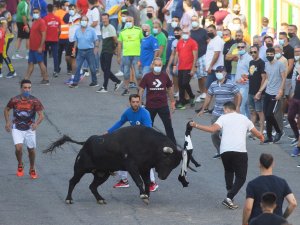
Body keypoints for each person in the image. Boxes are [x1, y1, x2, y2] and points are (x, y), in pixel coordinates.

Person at [190, 101, 263, 209]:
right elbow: (256, 133)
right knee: (241, 177)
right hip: (240, 151)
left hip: (224, 150)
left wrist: (195, 125)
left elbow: (212, 129)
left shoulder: (223, 118)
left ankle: (230, 192)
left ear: (226, 109)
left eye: (224, 110)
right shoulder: (244, 118)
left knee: (229, 171)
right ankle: (229, 197)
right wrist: (261, 137)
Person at [107, 94, 159, 192]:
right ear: (130, 102)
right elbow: (120, 122)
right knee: (121, 156)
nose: (135, 104)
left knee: (145, 162)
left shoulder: (145, 113)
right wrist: (109, 131)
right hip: (134, 140)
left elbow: (148, 130)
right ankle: (124, 180)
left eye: (137, 102)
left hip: (145, 141)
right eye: (133, 102)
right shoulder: (128, 112)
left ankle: (152, 183)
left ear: (140, 102)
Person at [197, 66, 241, 159]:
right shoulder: (213, 84)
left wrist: (237, 107)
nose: (218, 73)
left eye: (220, 71)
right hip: (216, 113)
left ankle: (230, 152)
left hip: (228, 114)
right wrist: (203, 109)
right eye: (217, 71)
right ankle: (220, 151)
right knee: (214, 134)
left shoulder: (230, 84)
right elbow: (209, 97)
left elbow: (238, 95)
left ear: (225, 73)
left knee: (228, 134)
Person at [4, 79, 45, 179]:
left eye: (29, 88)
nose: (27, 90)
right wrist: (8, 122)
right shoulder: (14, 99)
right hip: (17, 127)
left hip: (30, 128)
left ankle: (32, 168)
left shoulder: (35, 100)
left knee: (31, 150)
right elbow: (6, 109)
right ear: (21, 88)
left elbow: (41, 115)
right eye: (25, 88)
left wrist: (36, 124)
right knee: (18, 148)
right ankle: (20, 164)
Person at [242, 153, 297, 225]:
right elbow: (293, 203)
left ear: (259, 164)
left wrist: (244, 222)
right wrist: (283, 218)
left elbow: (248, 207)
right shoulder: (282, 182)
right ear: (273, 164)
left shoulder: (252, 184)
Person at [139, 57, 176, 144]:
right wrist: (139, 102)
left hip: (163, 106)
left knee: (168, 127)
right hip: (150, 106)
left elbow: (169, 89)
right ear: (152, 65)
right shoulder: (147, 76)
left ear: (162, 65)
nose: (157, 67)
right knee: (147, 127)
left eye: (159, 65)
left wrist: (172, 102)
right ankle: (144, 144)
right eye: (156, 65)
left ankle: (173, 144)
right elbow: (141, 89)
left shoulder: (165, 76)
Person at [256, 47, 286, 144]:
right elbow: (267, 79)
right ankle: (269, 137)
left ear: (274, 54)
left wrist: (280, 91)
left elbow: (283, 78)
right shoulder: (266, 65)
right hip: (268, 92)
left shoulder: (280, 64)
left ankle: (279, 131)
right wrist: (260, 91)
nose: (269, 56)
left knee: (269, 114)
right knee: (266, 114)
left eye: (271, 54)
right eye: (267, 54)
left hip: (275, 93)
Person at [69, 15, 99, 88]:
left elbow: (96, 40)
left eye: (85, 20)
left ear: (88, 22)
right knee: (77, 67)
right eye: (83, 20)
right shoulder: (77, 30)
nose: (84, 22)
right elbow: (76, 41)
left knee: (92, 68)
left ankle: (94, 82)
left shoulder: (91, 30)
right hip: (80, 51)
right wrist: (73, 50)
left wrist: (96, 48)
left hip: (89, 51)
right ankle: (75, 82)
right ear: (80, 21)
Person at [117, 16, 143, 95]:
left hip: (136, 54)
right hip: (126, 55)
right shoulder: (122, 32)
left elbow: (143, 42)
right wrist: (118, 56)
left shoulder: (139, 30)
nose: (128, 22)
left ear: (133, 21)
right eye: (127, 21)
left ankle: (139, 89)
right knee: (126, 73)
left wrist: (142, 55)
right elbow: (119, 44)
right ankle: (126, 88)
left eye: (130, 21)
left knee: (138, 74)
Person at [96, 13, 122, 93]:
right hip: (103, 50)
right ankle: (117, 81)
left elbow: (116, 41)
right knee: (104, 69)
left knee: (106, 69)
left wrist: (117, 52)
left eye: (105, 18)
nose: (104, 20)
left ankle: (105, 87)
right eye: (103, 18)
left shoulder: (111, 28)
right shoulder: (103, 27)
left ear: (108, 19)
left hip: (109, 51)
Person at [24, 8, 49, 85]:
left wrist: (40, 47)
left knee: (40, 63)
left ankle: (46, 79)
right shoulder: (34, 22)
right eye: (34, 12)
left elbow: (44, 35)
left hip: (38, 47)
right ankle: (26, 79)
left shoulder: (41, 22)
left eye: (36, 12)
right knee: (30, 63)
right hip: (32, 47)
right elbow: (32, 33)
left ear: (40, 13)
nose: (35, 13)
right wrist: (27, 29)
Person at [173, 28, 198, 109]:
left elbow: (195, 56)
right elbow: (177, 54)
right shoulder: (179, 42)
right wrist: (174, 65)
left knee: (184, 83)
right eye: (183, 32)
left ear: (189, 33)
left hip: (189, 67)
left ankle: (190, 96)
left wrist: (193, 68)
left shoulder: (193, 42)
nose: (185, 34)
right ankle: (182, 101)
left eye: (186, 32)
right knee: (180, 85)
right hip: (181, 67)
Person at [190, 15, 208, 102]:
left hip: (203, 55)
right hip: (193, 57)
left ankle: (205, 92)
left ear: (198, 21)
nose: (194, 21)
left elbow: (208, 43)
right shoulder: (189, 33)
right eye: (192, 20)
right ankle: (202, 93)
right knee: (199, 77)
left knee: (204, 75)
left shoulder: (203, 31)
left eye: (195, 20)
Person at [248, 45, 266, 135]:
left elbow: (263, 78)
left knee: (260, 111)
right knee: (252, 111)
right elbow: (252, 75)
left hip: (258, 92)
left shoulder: (261, 63)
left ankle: (261, 131)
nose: (253, 54)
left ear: (258, 51)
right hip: (250, 90)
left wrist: (259, 92)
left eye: (255, 52)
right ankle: (252, 131)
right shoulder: (251, 62)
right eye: (251, 52)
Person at [234, 41, 252, 117]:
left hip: (245, 85)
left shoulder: (249, 58)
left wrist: (243, 79)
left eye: (242, 47)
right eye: (239, 47)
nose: (240, 48)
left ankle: (243, 125)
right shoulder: (240, 57)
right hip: (238, 85)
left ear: (246, 48)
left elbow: (252, 72)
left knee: (241, 105)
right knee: (245, 106)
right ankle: (248, 123)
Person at [43, 4, 60, 77]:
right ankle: (56, 71)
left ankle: (44, 71)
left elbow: (43, 30)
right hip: (55, 39)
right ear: (53, 9)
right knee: (55, 56)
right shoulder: (57, 18)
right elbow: (60, 30)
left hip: (46, 39)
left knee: (44, 55)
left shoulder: (44, 18)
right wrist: (57, 36)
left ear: (47, 9)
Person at [0, 2, 17, 78]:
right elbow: (12, 22)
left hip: (6, 36)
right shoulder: (8, 12)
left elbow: (5, 26)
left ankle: (12, 71)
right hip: (9, 35)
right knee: (1, 53)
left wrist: (3, 35)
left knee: (3, 54)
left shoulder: (2, 15)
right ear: (6, 6)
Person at [205, 24, 224, 90]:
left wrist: (210, 66)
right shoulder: (212, 40)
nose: (209, 32)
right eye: (208, 31)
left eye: (211, 30)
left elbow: (216, 54)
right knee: (213, 89)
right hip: (212, 68)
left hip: (215, 69)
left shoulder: (217, 40)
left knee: (209, 88)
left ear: (215, 31)